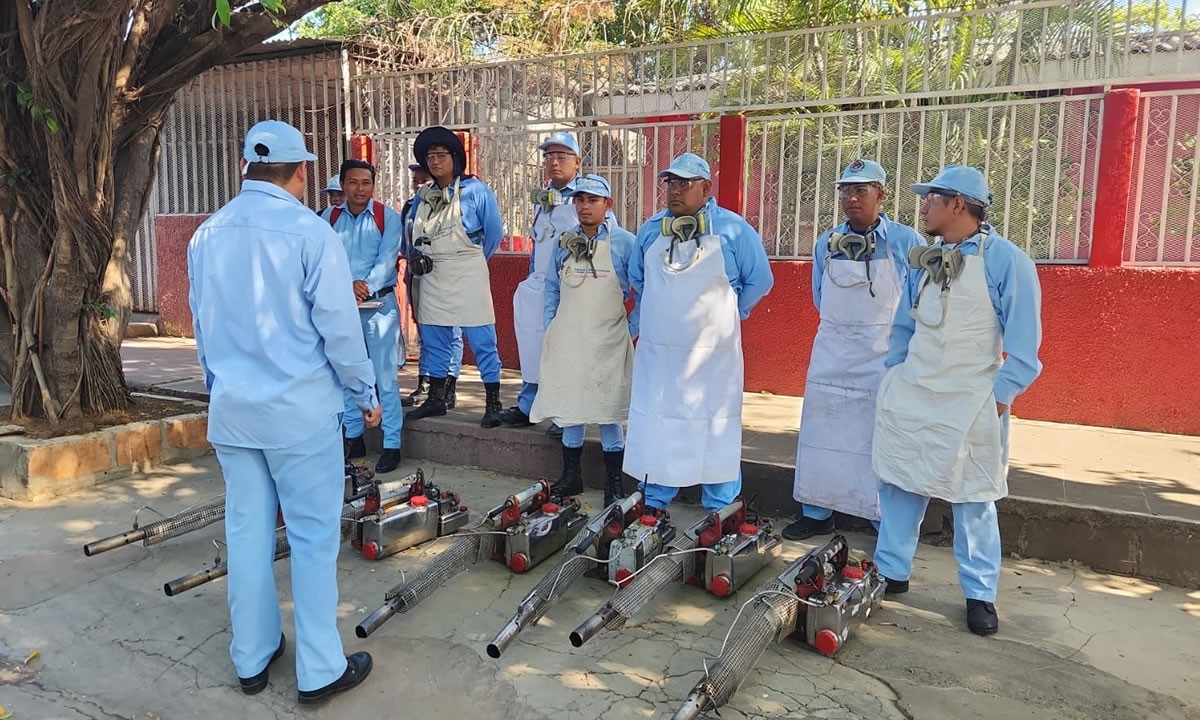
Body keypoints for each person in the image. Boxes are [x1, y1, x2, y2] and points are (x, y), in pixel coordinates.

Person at [187, 120, 375, 705]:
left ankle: (253, 655)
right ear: (301, 173)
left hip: (236, 414)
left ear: (246, 167)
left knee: (245, 532)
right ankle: (319, 669)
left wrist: (219, 387)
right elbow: (340, 331)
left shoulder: (205, 235)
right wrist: (364, 392)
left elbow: (201, 327)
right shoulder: (311, 233)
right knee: (313, 539)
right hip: (299, 414)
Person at [871, 165, 1043, 636]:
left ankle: (980, 594)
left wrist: (1001, 398)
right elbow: (905, 326)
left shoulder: (1006, 260)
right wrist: (894, 375)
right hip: (916, 390)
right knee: (901, 482)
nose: (923, 206)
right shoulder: (924, 258)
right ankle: (891, 572)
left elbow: (1025, 346)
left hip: (971, 399)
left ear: (958, 205)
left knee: (974, 497)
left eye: (932, 198)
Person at [784, 159, 925, 540]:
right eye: (845, 190)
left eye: (860, 190)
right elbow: (819, 296)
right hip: (832, 354)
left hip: (883, 357)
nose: (851, 198)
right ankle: (816, 513)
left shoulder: (907, 241)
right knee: (821, 438)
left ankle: (881, 518)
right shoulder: (825, 243)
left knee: (879, 440)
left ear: (881, 193)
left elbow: (920, 297)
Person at [625, 153, 774, 514]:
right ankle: (655, 500)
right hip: (660, 353)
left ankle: (719, 506)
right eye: (670, 184)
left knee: (715, 425)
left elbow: (760, 280)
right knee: (658, 420)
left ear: (706, 188)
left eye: (684, 184)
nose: (674, 191)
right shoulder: (650, 229)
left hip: (713, 356)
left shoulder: (734, 229)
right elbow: (637, 279)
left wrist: (731, 310)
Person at [529, 174, 636, 507]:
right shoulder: (564, 241)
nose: (585, 206)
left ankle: (613, 484)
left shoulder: (625, 243)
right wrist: (552, 325)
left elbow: (643, 289)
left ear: (608, 204)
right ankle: (571, 477)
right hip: (570, 338)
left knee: (608, 410)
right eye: (579, 200)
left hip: (609, 338)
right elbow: (550, 287)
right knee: (571, 407)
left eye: (592, 200)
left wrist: (631, 328)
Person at [403, 126, 506, 427]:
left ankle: (493, 402)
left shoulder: (476, 191)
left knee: (482, 339)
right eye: (430, 156)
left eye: (441, 155)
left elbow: (494, 234)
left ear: (456, 157)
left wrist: (471, 261)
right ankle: (436, 398)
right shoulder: (423, 196)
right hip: (434, 274)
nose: (435, 162)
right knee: (435, 339)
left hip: (468, 269)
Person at [497, 131, 583, 438]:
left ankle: (564, 413)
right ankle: (528, 406)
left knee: (563, 351)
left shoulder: (584, 197)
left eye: (562, 156)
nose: (554, 162)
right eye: (549, 157)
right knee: (532, 345)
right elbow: (539, 243)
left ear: (577, 161)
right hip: (536, 285)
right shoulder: (544, 198)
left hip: (566, 287)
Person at [321, 159, 405, 474]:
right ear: (342, 185)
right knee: (345, 374)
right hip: (342, 309)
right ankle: (354, 437)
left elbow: (387, 260)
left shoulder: (388, 217)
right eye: (353, 182)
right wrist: (346, 286)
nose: (360, 189)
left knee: (384, 378)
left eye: (366, 183)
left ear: (373, 185)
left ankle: (392, 443)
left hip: (379, 309)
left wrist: (364, 286)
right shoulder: (328, 218)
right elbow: (323, 261)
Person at [399, 161, 464, 411]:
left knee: (451, 331)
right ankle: (425, 383)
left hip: (447, 275)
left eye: (424, 179)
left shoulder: (449, 206)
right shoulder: (409, 207)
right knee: (426, 331)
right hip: (417, 275)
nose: (418, 184)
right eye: (415, 179)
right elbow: (404, 242)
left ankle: (448, 385)